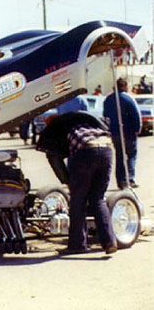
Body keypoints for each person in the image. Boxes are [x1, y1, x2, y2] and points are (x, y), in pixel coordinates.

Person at [37, 111, 117, 255]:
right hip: (107, 149)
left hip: (86, 151)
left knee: (78, 200)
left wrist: (67, 182)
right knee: (98, 198)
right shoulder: (83, 123)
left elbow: (55, 160)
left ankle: (77, 245)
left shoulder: (58, 130)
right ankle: (109, 241)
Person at [103, 78, 141, 189]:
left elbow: (105, 116)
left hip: (115, 132)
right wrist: (137, 128)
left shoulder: (108, 100)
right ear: (124, 86)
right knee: (131, 155)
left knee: (119, 155)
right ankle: (130, 178)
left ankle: (121, 180)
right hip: (128, 131)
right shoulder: (128, 98)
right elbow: (135, 114)